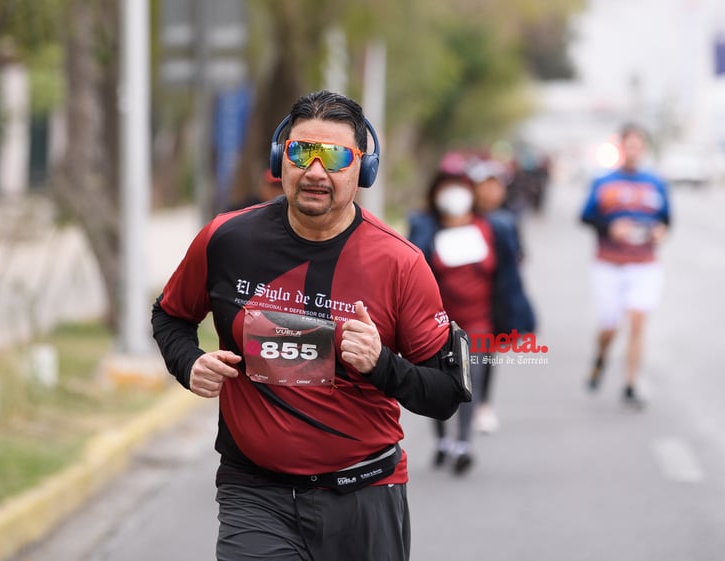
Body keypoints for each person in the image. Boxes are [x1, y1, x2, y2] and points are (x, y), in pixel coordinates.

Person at [151, 90, 471, 561]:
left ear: (362, 169)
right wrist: (189, 362)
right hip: (255, 494)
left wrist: (381, 365)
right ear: (282, 159)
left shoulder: (400, 263)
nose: (316, 172)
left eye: (336, 157)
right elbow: (170, 315)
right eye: (303, 153)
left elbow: (445, 395)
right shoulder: (227, 238)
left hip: (364, 495)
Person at [407, 155, 495, 475]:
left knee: (472, 380)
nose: (455, 193)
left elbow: (506, 275)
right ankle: (443, 440)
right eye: (448, 187)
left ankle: (463, 444)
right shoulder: (425, 228)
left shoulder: (490, 227)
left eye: (460, 187)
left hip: (480, 321)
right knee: (439, 384)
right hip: (439, 323)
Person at [580, 123, 670, 409]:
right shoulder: (603, 182)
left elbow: (666, 219)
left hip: (644, 265)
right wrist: (610, 228)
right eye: (629, 145)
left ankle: (630, 383)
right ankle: (601, 356)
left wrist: (660, 231)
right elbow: (585, 217)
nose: (634, 150)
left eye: (639, 145)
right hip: (609, 265)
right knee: (610, 326)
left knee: (637, 321)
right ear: (621, 147)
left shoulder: (655, 183)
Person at [469, 159, 536, 433]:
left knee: (485, 353)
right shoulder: (459, 218)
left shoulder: (508, 220)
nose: (489, 192)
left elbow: (519, 255)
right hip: (462, 295)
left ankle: (483, 405)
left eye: (495, 186)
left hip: (494, 297)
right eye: (484, 186)